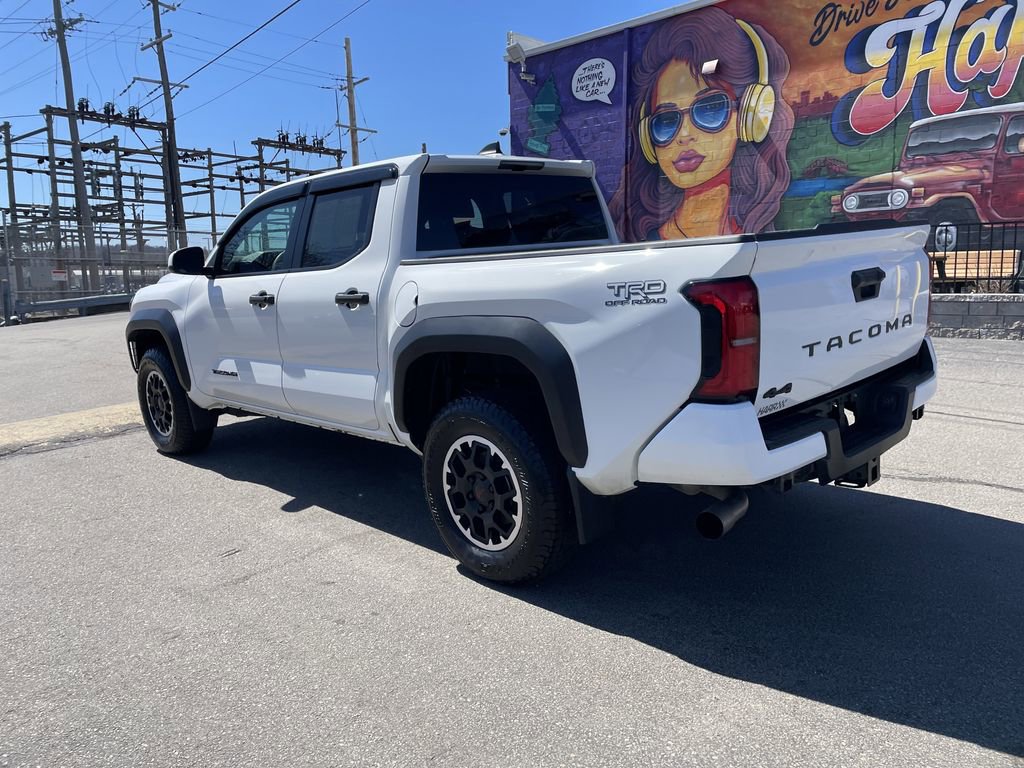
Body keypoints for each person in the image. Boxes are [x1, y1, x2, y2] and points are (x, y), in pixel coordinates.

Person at [609, 7, 794, 241]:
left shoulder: (761, 235)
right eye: (666, 121)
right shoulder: (643, 238)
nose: (684, 135)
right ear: (648, 137)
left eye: (709, 109)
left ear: (752, 113)